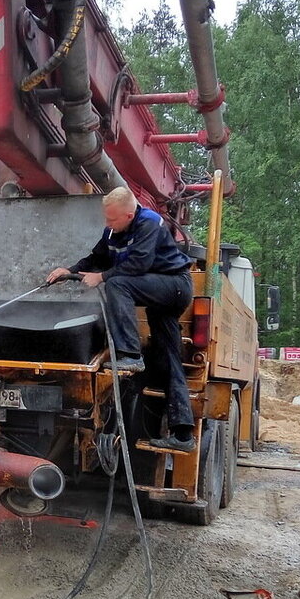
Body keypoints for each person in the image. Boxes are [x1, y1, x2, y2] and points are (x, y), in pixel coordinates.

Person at [46, 186, 196, 452]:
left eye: (112, 219)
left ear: (129, 215)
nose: (108, 223)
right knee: (169, 357)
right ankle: (183, 434)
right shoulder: (113, 230)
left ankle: (130, 355)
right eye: (106, 218)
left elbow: (139, 264)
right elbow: (97, 258)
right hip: (156, 294)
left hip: (175, 286)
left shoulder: (150, 223)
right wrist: (68, 270)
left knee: (118, 285)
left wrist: (102, 277)